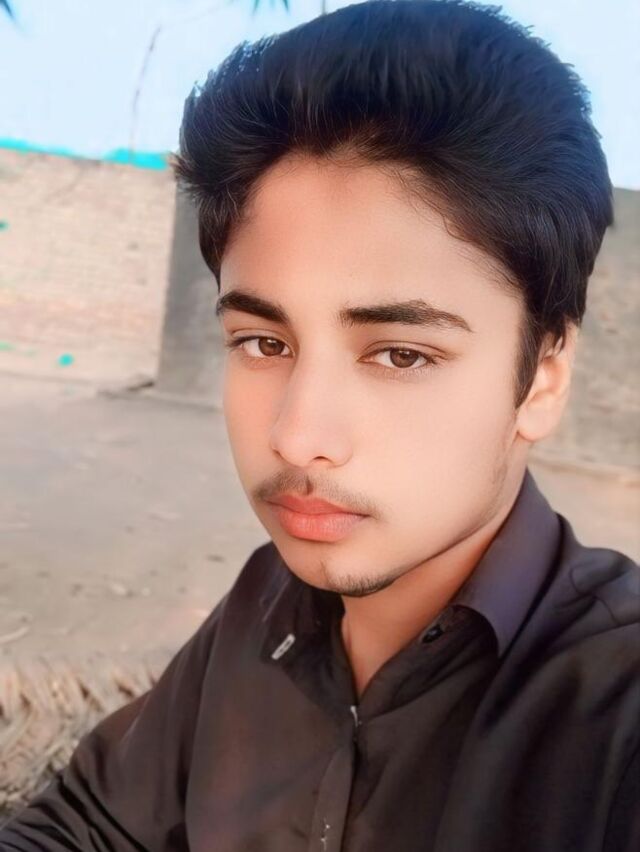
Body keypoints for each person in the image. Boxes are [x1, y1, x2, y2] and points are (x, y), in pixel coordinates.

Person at [1, 1, 638, 849]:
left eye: (401, 355)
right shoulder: (265, 604)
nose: (297, 438)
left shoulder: (613, 715)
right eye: (264, 342)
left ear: (542, 380)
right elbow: (91, 820)